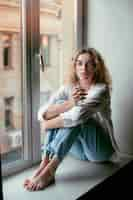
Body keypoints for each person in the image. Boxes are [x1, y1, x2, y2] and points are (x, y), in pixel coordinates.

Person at [24, 47, 119, 191]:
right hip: (78, 151)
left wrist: (47, 124)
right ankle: (45, 161)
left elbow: (76, 117)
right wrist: (70, 103)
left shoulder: (101, 90)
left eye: (89, 64)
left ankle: (50, 170)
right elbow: (42, 113)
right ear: (74, 67)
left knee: (79, 117)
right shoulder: (69, 87)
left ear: (96, 67)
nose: (84, 69)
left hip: (99, 150)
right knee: (60, 105)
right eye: (79, 63)